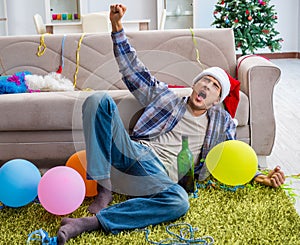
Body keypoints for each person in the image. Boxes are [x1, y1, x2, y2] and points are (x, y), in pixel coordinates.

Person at [56, 4, 285, 244]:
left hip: (163, 178)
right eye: (204, 81)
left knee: (178, 201)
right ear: (194, 85)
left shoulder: (221, 123)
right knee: (97, 100)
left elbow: (231, 157)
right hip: (137, 153)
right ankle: (104, 189)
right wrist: (116, 27)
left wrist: (258, 175)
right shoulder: (166, 98)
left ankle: (88, 223)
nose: (207, 87)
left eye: (214, 86)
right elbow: (135, 71)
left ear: (217, 100)